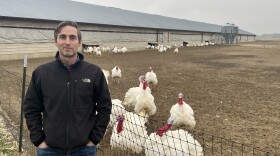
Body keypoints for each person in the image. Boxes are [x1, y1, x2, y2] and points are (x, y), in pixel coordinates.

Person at [23, 20, 112, 155]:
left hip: (84, 150)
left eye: (72, 37)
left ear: (79, 42)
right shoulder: (42, 73)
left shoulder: (94, 73)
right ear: (56, 41)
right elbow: (31, 108)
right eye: (62, 37)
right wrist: (38, 140)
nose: (67, 42)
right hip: (50, 150)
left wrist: (94, 139)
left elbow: (105, 107)